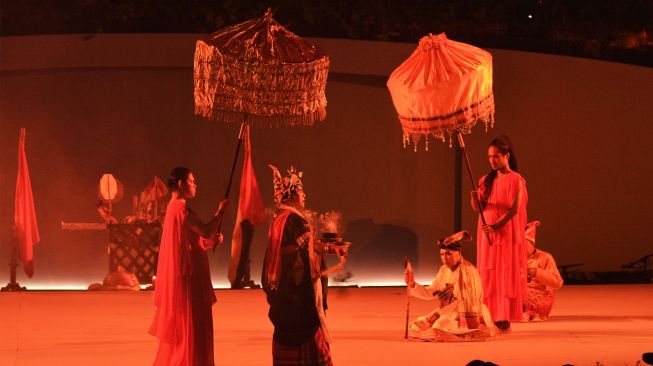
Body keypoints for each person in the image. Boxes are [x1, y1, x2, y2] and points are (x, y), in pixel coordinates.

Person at [262, 165, 347, 366]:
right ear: (291, 195)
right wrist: (331, 248)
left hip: (284, 294)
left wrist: (328, 248)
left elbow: (306, 244)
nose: (304, 195)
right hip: (297, 295)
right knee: (312, 346)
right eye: (301, 191)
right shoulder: (292, 220)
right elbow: (307, 245)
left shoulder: (279, 219)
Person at [149, 167, 229, 366]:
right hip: (188, 280)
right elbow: (205, 229)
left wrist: (210, 242)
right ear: (181, 184)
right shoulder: (179, 208)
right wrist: (219, 214)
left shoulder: (173, 208)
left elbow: (189, 242)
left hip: (187, 277)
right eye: (192, 182)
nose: (195, 185)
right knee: (192, 328)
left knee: (188, 329)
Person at [470, 135, 528, 332]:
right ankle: (488, 313)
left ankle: (503, 316)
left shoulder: (516, 180)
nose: (492, 160)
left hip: (504, 232)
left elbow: (514, 210)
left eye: (496, 156)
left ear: (506, 156)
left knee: (503, 272)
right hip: (486, 231)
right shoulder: (485, 180)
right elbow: (478, 208)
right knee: (488, 271)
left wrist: (495, 226)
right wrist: (475, 198)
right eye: (489, 157)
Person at [404, 231, 496, 342]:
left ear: (459, 253)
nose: (444, 258)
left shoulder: (468, 272)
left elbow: (466, 300)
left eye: (448, 254)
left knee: (439, 325)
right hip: (447, 310)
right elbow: (432, 291)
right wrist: (413, 284)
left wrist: (443, 307)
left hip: (465, 313)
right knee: (417, 326)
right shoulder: (443, 270)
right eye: (442, 254)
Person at [522, 221, 564, 321]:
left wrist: (537, 273)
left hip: (540, 296)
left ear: (531, 243)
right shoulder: (514, 259)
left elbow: (557, 283)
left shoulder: (545, 257)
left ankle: (530, 313)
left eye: (523, 244)